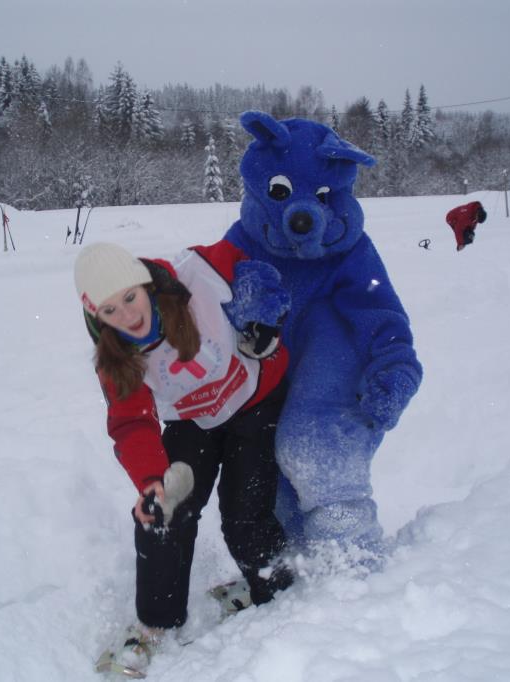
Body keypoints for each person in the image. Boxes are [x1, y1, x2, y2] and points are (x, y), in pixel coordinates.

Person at [75, 242, 293, 675]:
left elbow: (254, 259)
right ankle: (155, 624)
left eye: (130, 298)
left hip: (256, 400)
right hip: (194, 420)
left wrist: (267, 318)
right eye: (110, 310)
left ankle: (274, 587)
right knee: (161, 514)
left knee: (243, 513)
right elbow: (131, 423)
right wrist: (152, 480)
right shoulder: (115, 353)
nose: (128, 317)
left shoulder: (197, 272)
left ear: (145, 284)